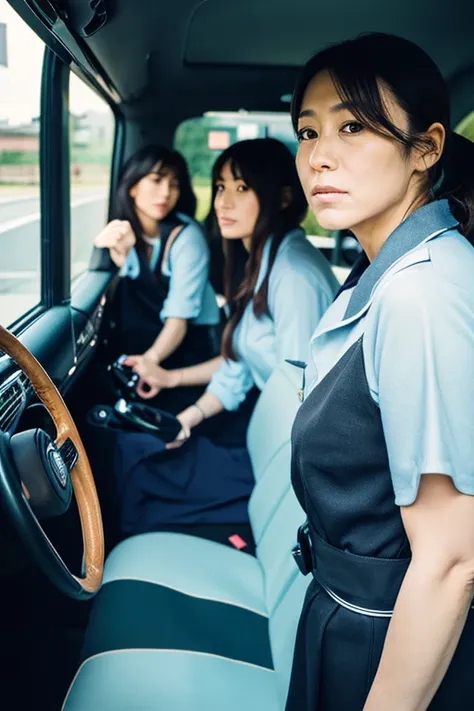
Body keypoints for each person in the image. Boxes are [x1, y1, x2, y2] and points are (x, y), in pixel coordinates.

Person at [286, 32, 474, 711]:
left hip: (388, 640)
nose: (319, 156)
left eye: (353, 127)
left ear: (425, 148)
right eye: (308, 132)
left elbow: (453, 560)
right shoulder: (381, 270)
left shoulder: (422, 292)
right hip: (347, 615)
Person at [117, 138, 339, 538]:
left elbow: (302, 397)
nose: (223, 202)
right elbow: (238, 364)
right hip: (258, 431)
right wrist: (189, 416)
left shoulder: (294, 276)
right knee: (138, 454)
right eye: (220, 187)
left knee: (138, 468)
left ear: (283, 197)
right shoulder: (262, 261)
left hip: (277, 458)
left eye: (241, 188)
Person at [94, 145, 220, 413]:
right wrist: (121, 258)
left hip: (190, 348)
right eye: (156, 180)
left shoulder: (187, 237)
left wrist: (149, 362)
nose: (166, 192)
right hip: (146, 344)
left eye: (174, 184)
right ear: (132, 186)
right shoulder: (122, 235)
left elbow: (179, 321)